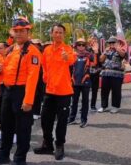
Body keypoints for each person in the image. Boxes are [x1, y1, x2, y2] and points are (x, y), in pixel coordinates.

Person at [0, 17, 41, 165]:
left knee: (23, 128)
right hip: (8, 91)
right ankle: (4, 154)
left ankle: (19, 158)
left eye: (21, 31)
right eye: (16, 31)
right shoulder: (12, 49)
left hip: (22, 92)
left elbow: (33, 77)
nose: (18, 34)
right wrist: (1, 70)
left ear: (28, 31)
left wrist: (28, 100)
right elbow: (8, 70)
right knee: (6, 125)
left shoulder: (33, 52)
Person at [33, 23, 77, 160]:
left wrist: (66, 57)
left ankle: (59, 145)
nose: (58, 34)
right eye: (56, 32)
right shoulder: (46, 50)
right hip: (50, 91)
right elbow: (44, 65)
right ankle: (47, 144)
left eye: (60, 33)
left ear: (64, 35)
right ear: (51, 34)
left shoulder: (68, 49)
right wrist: (45, 76)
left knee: (62, 121)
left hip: (64, 92)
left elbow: (72, 60)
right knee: (45, 119)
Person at [68, 38, 96, 128]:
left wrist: (95, 51)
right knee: (74, 102)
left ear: (85, 46)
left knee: (85, 102)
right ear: (76, 46)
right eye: (79, 45)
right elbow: (68, 65)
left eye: (83, 45)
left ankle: (84, 120)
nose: (81, 47)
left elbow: (95, 63)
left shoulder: (89, 55)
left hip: (86, 82)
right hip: (75, 82)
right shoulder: (72, 55)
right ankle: (72, 118)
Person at [0, 42, 17, 144]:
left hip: (11, 88)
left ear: (7, 48)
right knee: (1, 112)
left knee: (12, 112)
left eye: (0, 48)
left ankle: (15, 133)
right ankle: (3, 131)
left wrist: (3, 70)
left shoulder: (13, 58)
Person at [98, 36, 126, 113]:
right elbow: (100, 60)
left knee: (116, 91)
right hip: (106, 73)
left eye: (113, 42)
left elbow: (123, 55)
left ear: (116, 43)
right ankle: (104, 106)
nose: (111, 44)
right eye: (110, 43)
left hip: (117, 74)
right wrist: (104, 52)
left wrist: (118, 48)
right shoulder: (107, 51)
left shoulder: (120, 49)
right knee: (104, 91)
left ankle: (115, 106)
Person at [31, 39, 44, 120]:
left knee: (38, 95)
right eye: (33, 44)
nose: (35, 46)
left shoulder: (42, 54)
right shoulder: (29, 52)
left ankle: (36, 112)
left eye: (37, 44)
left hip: (40, 76)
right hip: (31, 76)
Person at [88, 35, 101, 111]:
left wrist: (96, 52)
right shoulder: (86, 50)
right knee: (85, 91)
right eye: (92, 40)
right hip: (87, 73)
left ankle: (93, 105)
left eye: (95, 40)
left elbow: (101, 61)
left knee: (94, 90)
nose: (94, 41)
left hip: (95, 73)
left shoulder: (99, 50)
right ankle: (84, 105)